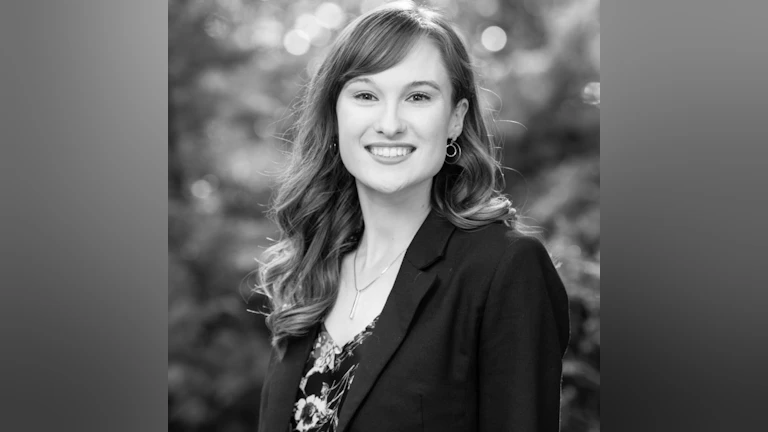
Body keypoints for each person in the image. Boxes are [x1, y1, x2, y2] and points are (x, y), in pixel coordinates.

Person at [254, 2, 570, 431]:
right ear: (335, 115)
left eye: (418, 97)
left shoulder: (504, 269)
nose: (389, 124)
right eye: (366, 95)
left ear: (455, 119)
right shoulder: (309, 271)